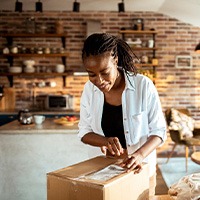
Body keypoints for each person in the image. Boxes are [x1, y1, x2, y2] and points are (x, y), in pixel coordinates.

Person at [78, 32, 167, 196]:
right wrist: (105, 141)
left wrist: (139, 155)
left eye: (105, 72)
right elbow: (84, 132)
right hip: (101, 173)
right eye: (91, 74)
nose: (99, 80)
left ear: (116, 61)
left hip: (139, 171)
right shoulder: (89, 90)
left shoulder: (143, 85)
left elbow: (159, 131)